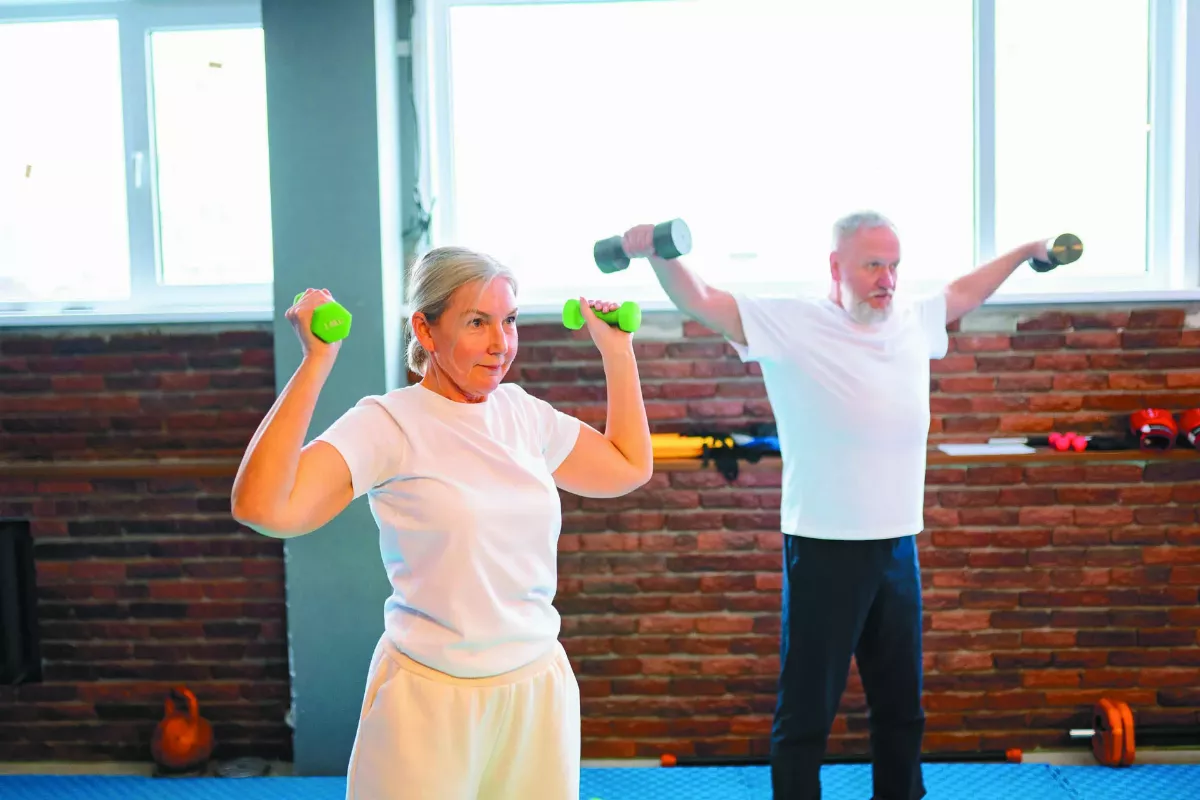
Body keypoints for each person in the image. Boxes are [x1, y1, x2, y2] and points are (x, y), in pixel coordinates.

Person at [624, 211, 1055, 800]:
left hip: (897, 545)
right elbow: (701, 300)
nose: (888, 279)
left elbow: (963, 292)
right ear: (836, 266)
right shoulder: (792, 322)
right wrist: (657, 253)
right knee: (807, 710)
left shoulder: (911, 319)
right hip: (823, 545)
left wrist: (1027, 250)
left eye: (894, 266)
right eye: (873, 265)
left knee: (901, 707)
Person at [230, 246, 654, 800]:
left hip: (536, 689)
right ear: (425, 330)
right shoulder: (388, 423)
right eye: (477, 322)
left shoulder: (522, 413)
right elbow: (263, 507)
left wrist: (617, 351)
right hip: (429, 698)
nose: (501, 343)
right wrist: (317, 361)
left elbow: (627, 466)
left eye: (509, 320)